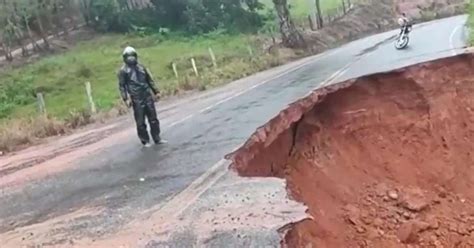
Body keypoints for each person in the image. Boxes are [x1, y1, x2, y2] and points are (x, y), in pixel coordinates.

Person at [118, 46, 166, 147]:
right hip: (136, 98)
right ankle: (145, 141)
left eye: (132, 56)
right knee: (140, 122)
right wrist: (125, 98)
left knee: (153, 119)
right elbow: (122, 86)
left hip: (147, 95)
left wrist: (156, 92)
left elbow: (149, 80)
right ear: (125, 58)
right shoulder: (123, 71)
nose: (131, 58)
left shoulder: (141, 67)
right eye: (128, 56)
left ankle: (157, 138)